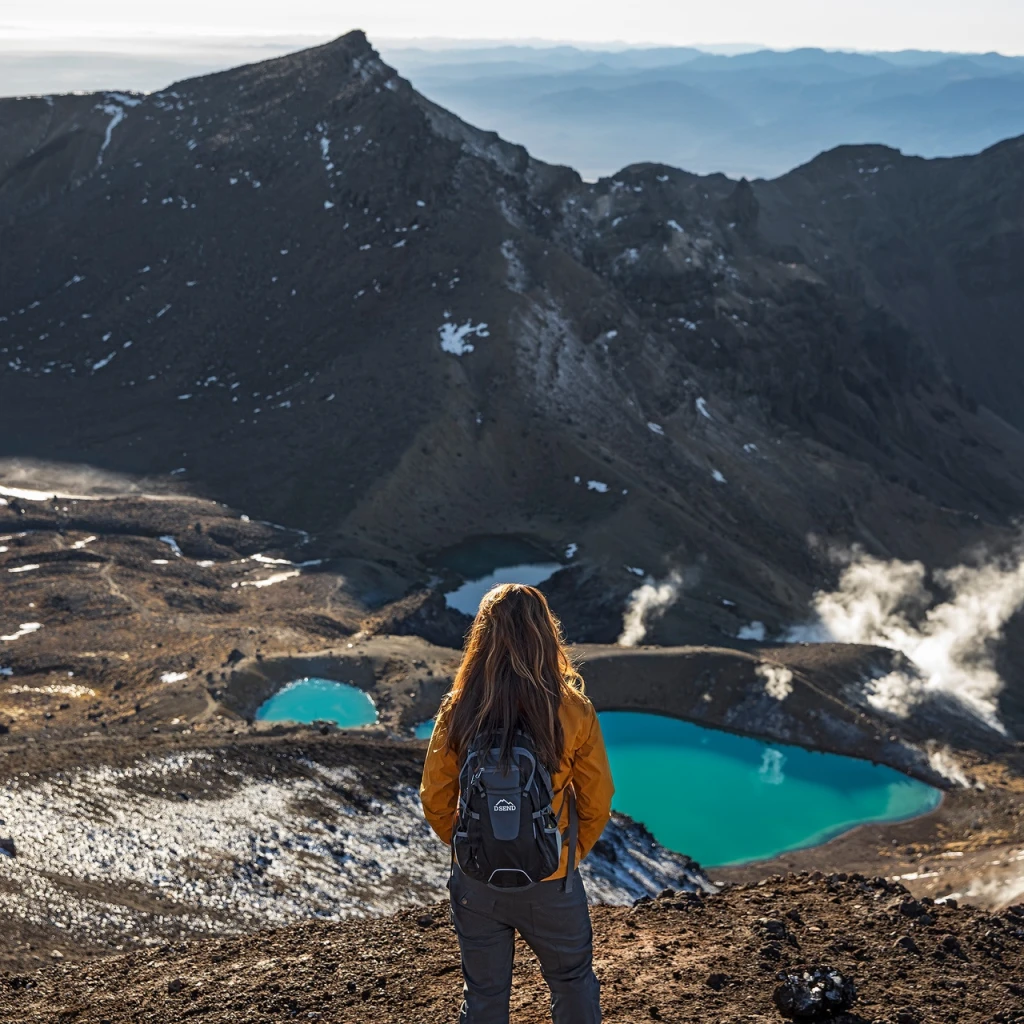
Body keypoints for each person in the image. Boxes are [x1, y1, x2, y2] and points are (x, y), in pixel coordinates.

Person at [420, 582, 614, 1024]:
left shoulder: (458, 709)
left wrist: (470, 844)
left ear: (482, 637)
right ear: (546, 633)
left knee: (485, 995)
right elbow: (597, 798)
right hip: (551, 880)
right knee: (572, 982)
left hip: (476, 881)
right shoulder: (572, 709)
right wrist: (566, 855)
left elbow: (435, 798)